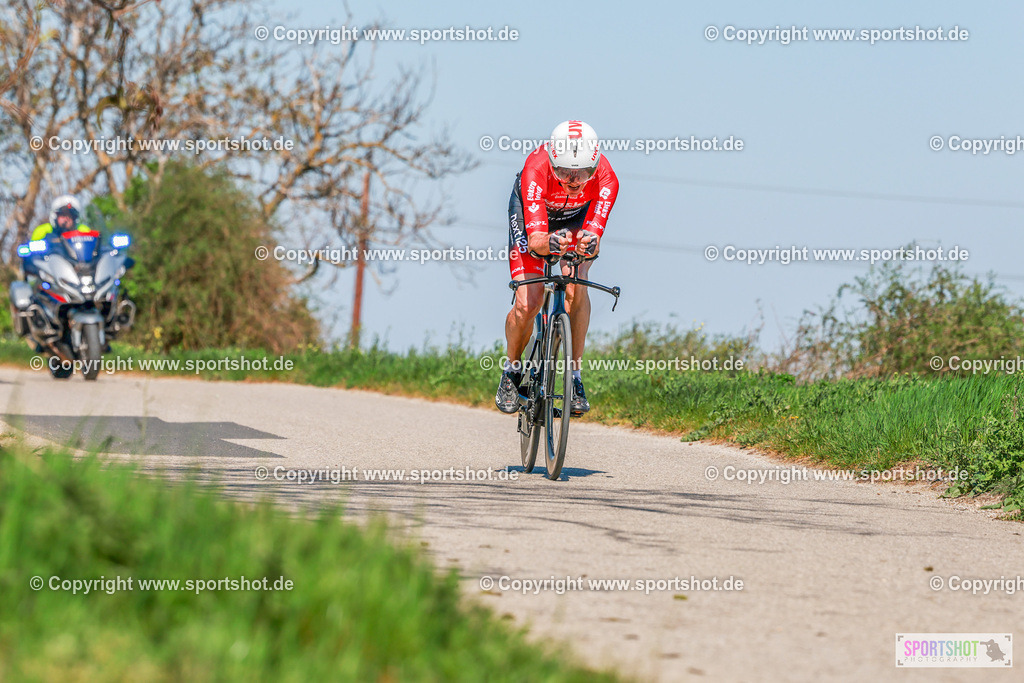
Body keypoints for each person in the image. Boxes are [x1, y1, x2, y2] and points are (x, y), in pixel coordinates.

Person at [496, 120, 619, 414]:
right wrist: (549, 244)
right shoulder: (536, 169)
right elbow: (537, 239)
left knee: (577, 282)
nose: (574, 180)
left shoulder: (606, 178)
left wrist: (589, 245)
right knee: (529, 302)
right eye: (564, 171)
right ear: (552, 162)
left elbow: (593, 235)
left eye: (582, 172)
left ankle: (574, 378)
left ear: (595, 163)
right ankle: (512, 370)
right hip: (534, 219)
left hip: (577, 218)